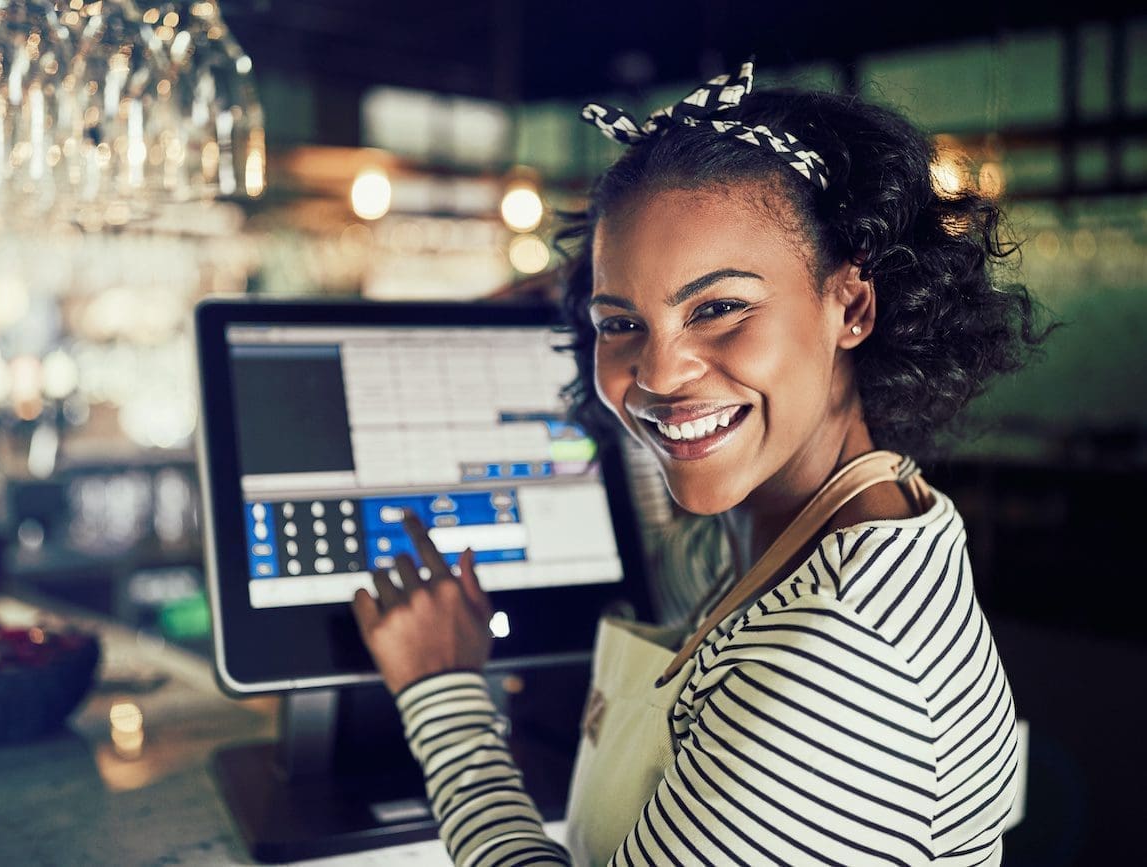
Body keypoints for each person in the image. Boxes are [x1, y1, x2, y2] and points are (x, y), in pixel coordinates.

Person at [351, 61, 1049, 866]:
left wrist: (443, 696)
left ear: (852, 305)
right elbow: (667, 544)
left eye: (718, 308)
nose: (657, 374)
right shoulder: (815, 523)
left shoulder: (838, 667)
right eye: (620, 324)